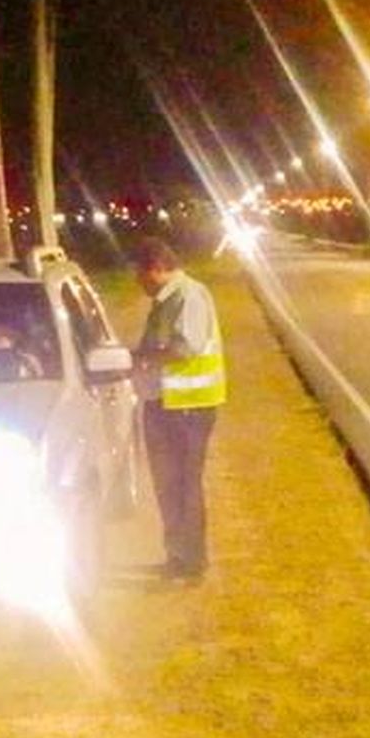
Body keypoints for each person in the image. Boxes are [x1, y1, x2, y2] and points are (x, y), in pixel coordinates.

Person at [131, 238, 226, 581]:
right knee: (167, 485)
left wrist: (142, 358)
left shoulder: (189, 296)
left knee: (185, 485)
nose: (138, 283)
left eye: (140, 275)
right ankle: (177, 557)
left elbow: (186, 347)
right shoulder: (165, 300)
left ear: (156, 267)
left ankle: (192, 561)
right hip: (164, 404)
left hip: (189, 408)